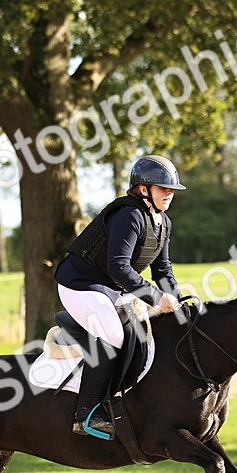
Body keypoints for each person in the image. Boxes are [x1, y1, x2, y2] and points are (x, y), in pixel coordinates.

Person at [54, 154, 185, 436]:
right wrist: (154, 296)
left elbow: (162, 268)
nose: (170, 194)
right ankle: (85, 415)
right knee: (113, 335)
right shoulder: (129, 216)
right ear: (143, 189)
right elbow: (118, 267)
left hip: (112, 287)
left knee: (145, 333)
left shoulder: (163, 222)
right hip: (80, 284)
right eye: (164, 188)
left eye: (172, 189)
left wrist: (177, 300)